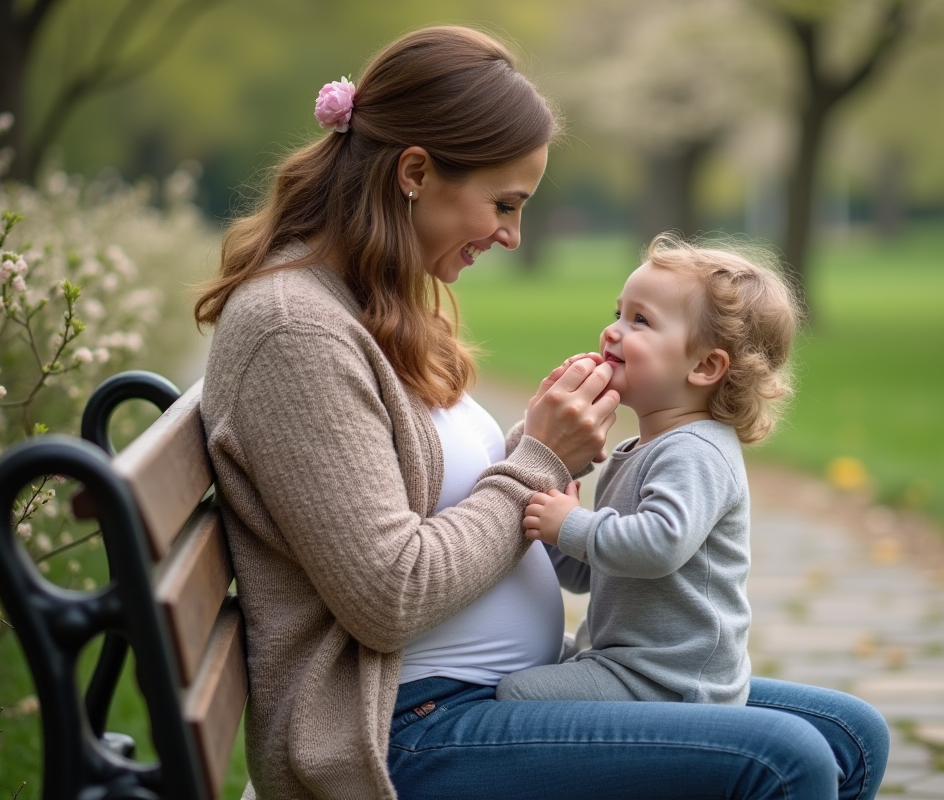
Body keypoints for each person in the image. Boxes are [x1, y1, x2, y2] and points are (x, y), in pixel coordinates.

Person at [195, 24, 889, 800]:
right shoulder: (297, 329)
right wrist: (538, 461)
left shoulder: (369, 307)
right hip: (402, 730)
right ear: (416, 172)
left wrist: (538, 442)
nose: (512, 234)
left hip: (497, 689)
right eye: (504, 202)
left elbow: (442, 499)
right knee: (785, 760)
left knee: (848, 737)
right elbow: (389, 597)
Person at [496, 234, 794, 707]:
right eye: (618, 313)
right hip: (628, 667)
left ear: (704, 366)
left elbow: (658, 545)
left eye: (641, 321)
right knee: (524, 666)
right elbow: (595, 570)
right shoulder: (641, 449)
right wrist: (542, 504)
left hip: (671, 683)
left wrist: (570, 523)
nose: (613, 331)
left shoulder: (697, 452)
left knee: (518, 696)